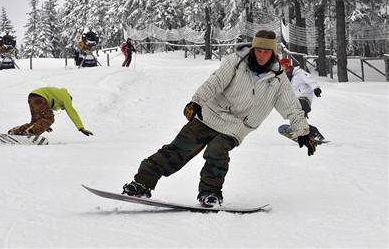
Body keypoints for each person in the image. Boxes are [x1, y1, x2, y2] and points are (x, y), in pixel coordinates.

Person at [122, 30, 317, 208]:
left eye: (267, 52)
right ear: (253, 48)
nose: (261, 55)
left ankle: (210, 194)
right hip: (210, 113)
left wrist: (302, 132)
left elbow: (291, 107)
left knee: (217, 151)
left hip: (238, 125)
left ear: (273, 53)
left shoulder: (278, 79)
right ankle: (141, 183)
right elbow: (215, 82)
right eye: (258, 50)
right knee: (179, 148)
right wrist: (196, 102)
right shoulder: (236, 62)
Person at [8, 87, 93, 137]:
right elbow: (72, 112)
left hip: (32, 97)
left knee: (35, 122)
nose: (62, 108)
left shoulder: (57, 94)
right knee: (50, 118)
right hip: (40, 97)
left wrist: (44, 125)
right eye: (63, 107)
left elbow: (43, 116)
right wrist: (81, 128)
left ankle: (16, 131)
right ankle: (31, 132)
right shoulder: (66, 97)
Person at [279, 58, 325, 141]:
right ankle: (312, 133)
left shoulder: (299, 73)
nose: (282, 69)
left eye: (283, 67)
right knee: (296, 118)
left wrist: (316, 88)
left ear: (287, 65)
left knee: (298, 114)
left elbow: (310, 79)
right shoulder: (286, 78)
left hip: (304, 98)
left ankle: (306, 132)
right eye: (280, 67)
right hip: (296, 101)